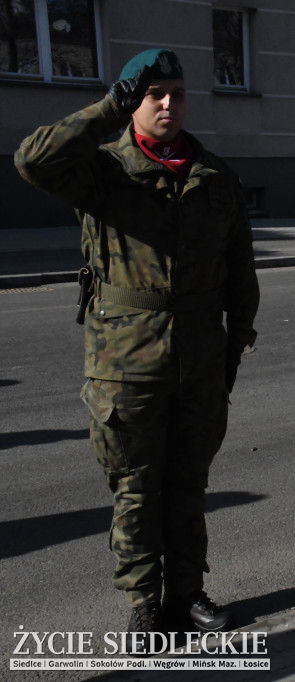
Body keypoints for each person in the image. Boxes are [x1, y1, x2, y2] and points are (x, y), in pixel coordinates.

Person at [14, 49, 260, 640]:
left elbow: (239, 272)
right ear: (134, 101)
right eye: (154, 94)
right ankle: (143, 602)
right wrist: (104, 110)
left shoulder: (215, 177)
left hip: (200, 359)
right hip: (125, 363)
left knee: (188, 482)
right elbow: (32, 159)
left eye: (176, 91)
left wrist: (231, 351)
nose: (168, 103)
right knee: (136, 487)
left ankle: (188, 593)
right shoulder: (102, 170)